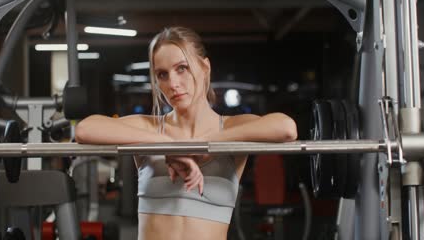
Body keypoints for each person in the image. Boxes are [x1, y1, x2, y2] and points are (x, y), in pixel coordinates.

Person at [75, 26, 297, 240]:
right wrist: (168, 145)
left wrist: (203, 143)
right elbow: (85, 130)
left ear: (205, 67)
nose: (173, 83)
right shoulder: (151, 128)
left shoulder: (230, 128)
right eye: (162, 74)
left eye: (182, 68)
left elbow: (286, 128)